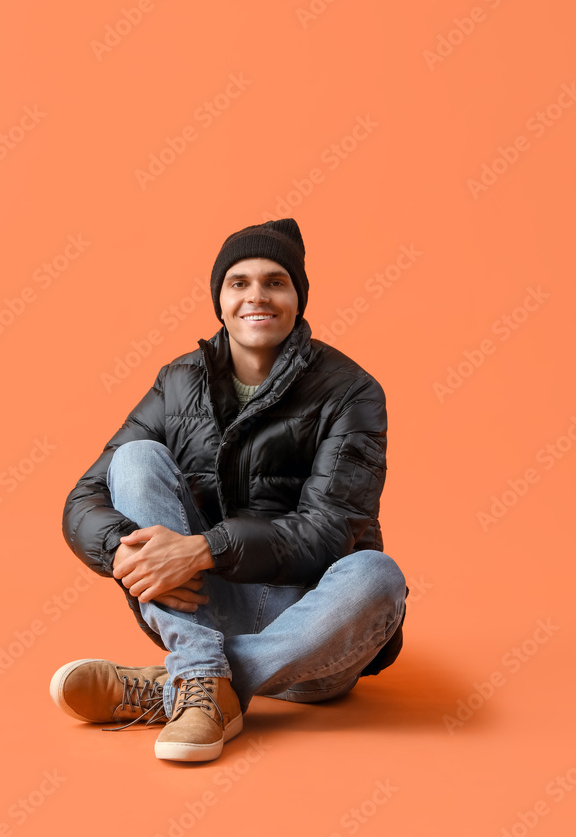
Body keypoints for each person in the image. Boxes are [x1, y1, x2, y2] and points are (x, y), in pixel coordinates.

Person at [51, 218, 408, 762]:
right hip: (201, 608)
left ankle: (182, 686)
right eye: (238, 283)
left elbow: (331, 529)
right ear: (219, 300)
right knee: (135, 458)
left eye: (275, 282)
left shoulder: (352, 391)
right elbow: (84, 500)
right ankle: (199, 673)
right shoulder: (178, 381)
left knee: (379, 575)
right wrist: (125, 551)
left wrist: (203, 548)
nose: (256, 296)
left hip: (315, 633)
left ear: (298, 298)